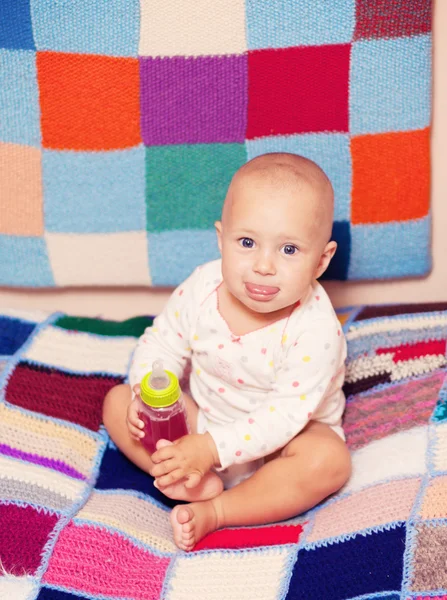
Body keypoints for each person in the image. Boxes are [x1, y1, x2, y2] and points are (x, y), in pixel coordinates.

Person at [103, 152, 352, 551]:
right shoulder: (203, 287)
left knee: (330, 460)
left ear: (321, 260)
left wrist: (211, 449)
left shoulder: (315, 328)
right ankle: (180, 476)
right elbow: (162, 342)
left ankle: (219, 510)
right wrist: (146, 395)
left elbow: (284, 415)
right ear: (222, 239)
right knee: (118, 401)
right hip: (202, 424)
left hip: (281, 450)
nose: (263, 266)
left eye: (288, 250)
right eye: (247, 242)